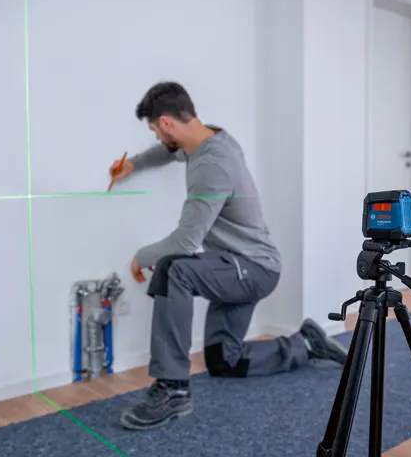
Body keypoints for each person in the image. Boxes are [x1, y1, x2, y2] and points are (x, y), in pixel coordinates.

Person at [109, 81, 348, 431]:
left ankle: (172, 389)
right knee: (224, 360)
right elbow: (171, 151)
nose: (158, 139)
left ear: (167, 123)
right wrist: (134, 164)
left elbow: (185, 241)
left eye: (156, 131)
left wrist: (141, 256)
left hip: (252, 268)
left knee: (174, 269)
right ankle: (304, 345)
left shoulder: (213, 166)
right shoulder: (211, 138)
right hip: (234, 266)